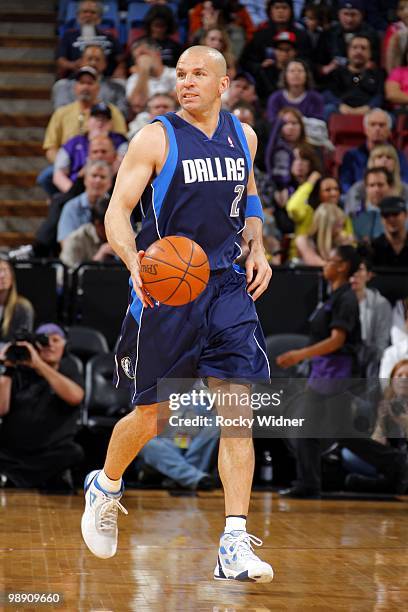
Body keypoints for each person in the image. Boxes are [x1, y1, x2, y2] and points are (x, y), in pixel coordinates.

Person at [80, 45, 274, 583]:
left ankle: (233, 540)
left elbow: (248, 197)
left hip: (228, 286)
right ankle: (107, 483)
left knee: (238, 412)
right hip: (167, 289)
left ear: (223, 83)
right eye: (181, 74)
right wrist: (131, 258)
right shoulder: (155, 136)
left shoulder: (245, 136)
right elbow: (117, 209)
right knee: (153, 417)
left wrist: (257, 245)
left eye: (198, 75)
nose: (186, 82)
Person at [276, 245, 362, 498]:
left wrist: (298, 356)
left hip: (338, 373)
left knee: (337, 433)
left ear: (343, 267)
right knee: (315, 430)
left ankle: (395, 464)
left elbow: (337, 340)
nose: (325, 265)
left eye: (330, 261)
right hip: (324, 372)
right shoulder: (332, 296)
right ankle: (309, 484)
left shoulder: (347, 298)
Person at [0, 323, 84, 491]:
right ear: (34, 346)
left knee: (74, 453)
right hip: (13, 451)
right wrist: (7, 370)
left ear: (65, 345)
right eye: (44, 341)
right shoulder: (19, 371)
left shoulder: (69, 369)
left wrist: (39, 364)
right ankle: (38, 479)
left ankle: (13, 478)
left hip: (50, 451)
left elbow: (76, 397)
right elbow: (1, 410)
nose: (50, 345)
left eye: (56, 340)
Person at [342, 358, 408, 494]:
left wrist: (402, 420)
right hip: (392, 462)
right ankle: (391, 483)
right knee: (348, 453)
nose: (403, 379)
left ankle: (386, 484)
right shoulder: (385, 404)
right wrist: (381, 425)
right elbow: (377, 445)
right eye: (399, 375)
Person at [53, 104, 127, 193]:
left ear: (111, 123)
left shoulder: (120, 141)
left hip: (112, 189)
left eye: (104, 119)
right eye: (96, 118)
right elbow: (58, 174)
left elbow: (122, 163)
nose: (100, 123)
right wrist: (73, 193)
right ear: (88, 121)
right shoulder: (73, 142)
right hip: (76, 187)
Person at [339, 108, 408, 194]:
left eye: (382, 125)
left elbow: (405, 181)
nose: (377, 129)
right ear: (365, 129)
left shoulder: (398, 156)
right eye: (373, 124)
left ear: (389, 131)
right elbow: (345, 184)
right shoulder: (351, 156)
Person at [52, 44, 128, 117]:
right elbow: (61, 113)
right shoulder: (64, 87)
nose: (93, 63)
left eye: (97, 59)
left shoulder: (117, 88)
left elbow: (123, 114)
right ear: (81, 62)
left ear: (105, 64)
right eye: (89, 59)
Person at [56, 0, 125, 78]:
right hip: (76, 79)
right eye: (85, 12)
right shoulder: (69, 36)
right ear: (78, 15)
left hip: (106, 79)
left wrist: (120, 68)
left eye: (93, 12)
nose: (88, 15)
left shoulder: (109, 36)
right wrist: (73, 65)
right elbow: (61, 60)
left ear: (100, 17)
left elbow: (121, 59)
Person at [323, 35, 384, 119]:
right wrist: (340, 105)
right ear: (348, 51)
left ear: (370, 53)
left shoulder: (377, 74)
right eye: (355, 47)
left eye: (363, 48)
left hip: (368, 111)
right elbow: (328, 93)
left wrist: (369, 107)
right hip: (341, 110)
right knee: (328, 109)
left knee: (388, 117)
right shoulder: (336, 72)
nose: (359, 51)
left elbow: (379, 96)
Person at [349, 256, 392, 375]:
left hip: (369, 361)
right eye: (352, 270)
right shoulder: (338, 301)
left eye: (360, 270)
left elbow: (381, 343)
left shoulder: (380, 304)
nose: (355, 274)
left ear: (369, 275)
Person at [57, 159, 113, 245]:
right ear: (85, 179)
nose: (98, 180)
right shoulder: (71, 207)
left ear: (110, 183)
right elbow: (65, 244)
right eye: (94, 176)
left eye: (102, 177)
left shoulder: (115, 207)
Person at [345, 144, 408, 219]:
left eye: (389, 157)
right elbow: (351, 215)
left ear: (395, 163)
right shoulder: (358, 189)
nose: (384, 160)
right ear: (372, 161)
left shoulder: (404, 189)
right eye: (379, 157)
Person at [59, 194, 115, 269]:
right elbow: (65, 276)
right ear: (97, 224)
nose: (115, 231)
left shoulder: (126, 237)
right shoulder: (76, 240)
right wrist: (98, 258)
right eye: (112, 226)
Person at [126, 39, 177, 116]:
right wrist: (144, 71)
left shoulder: (175, 73)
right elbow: (137, 105)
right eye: (136, 57)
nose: (141, 59)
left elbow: (181, 99)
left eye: (143, 54)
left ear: (157, 54)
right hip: (146, 121)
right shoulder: (134, 78)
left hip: (174, 117)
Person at [348, 167, 394, 243]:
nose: (376, 190)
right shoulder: (354, 216)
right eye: (372, 185)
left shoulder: (403, 215)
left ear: (390, 187)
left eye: (380, 185)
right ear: (366, 188)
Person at [0, 259, 34, 344]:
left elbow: (22, 342)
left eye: (5, 270)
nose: (2, 275)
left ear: (12, 278)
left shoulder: (22, 308)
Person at [371, 196, 408, 268]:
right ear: (381, 218)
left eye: (395, 214)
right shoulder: (373, 247)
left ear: (406, 215)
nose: (391, 219)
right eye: (386, 215)